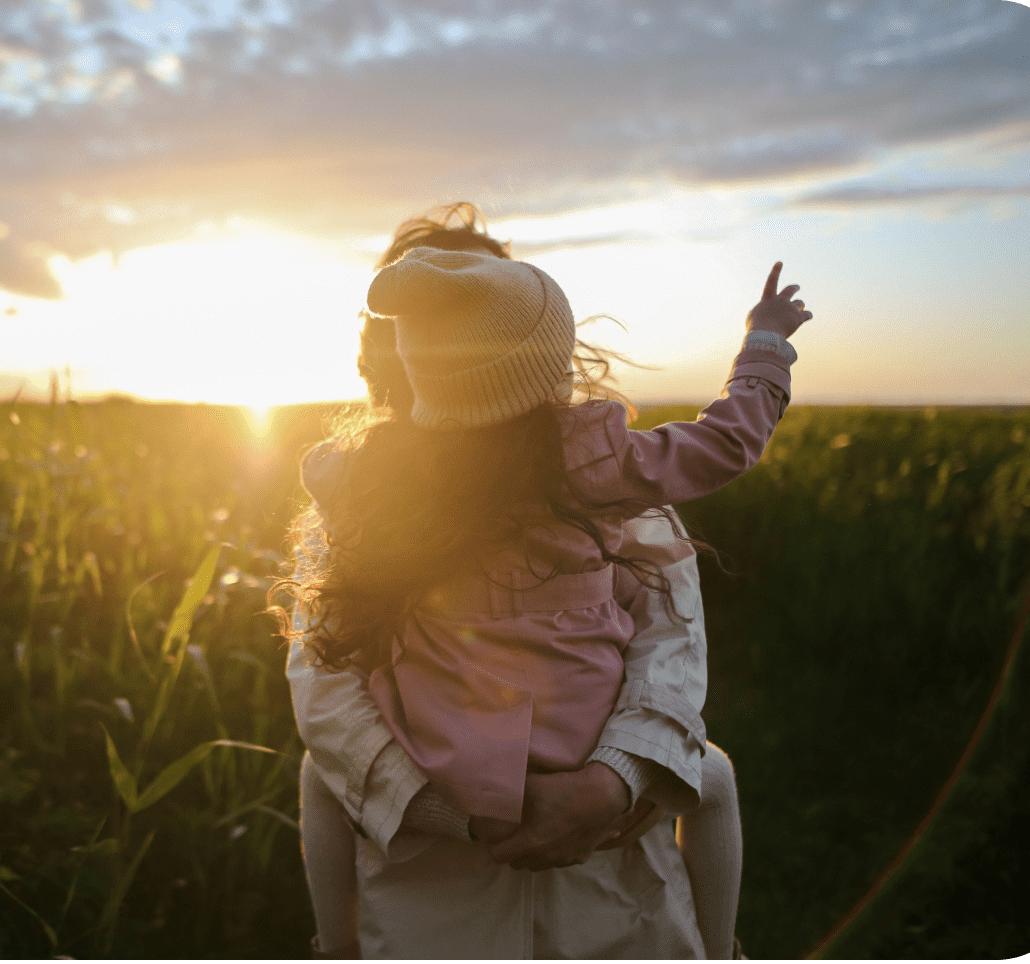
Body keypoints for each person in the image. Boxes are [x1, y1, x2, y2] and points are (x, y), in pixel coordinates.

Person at [282, 204, 806, 958]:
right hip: (436, 876)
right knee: (712, 774)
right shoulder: (599, 466)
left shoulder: (371, 484)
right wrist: (764, 349)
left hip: (602, 872)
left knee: (317, 779)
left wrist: (609, 784)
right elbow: (325, 685)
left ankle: (332, 950)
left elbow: (670, 640)